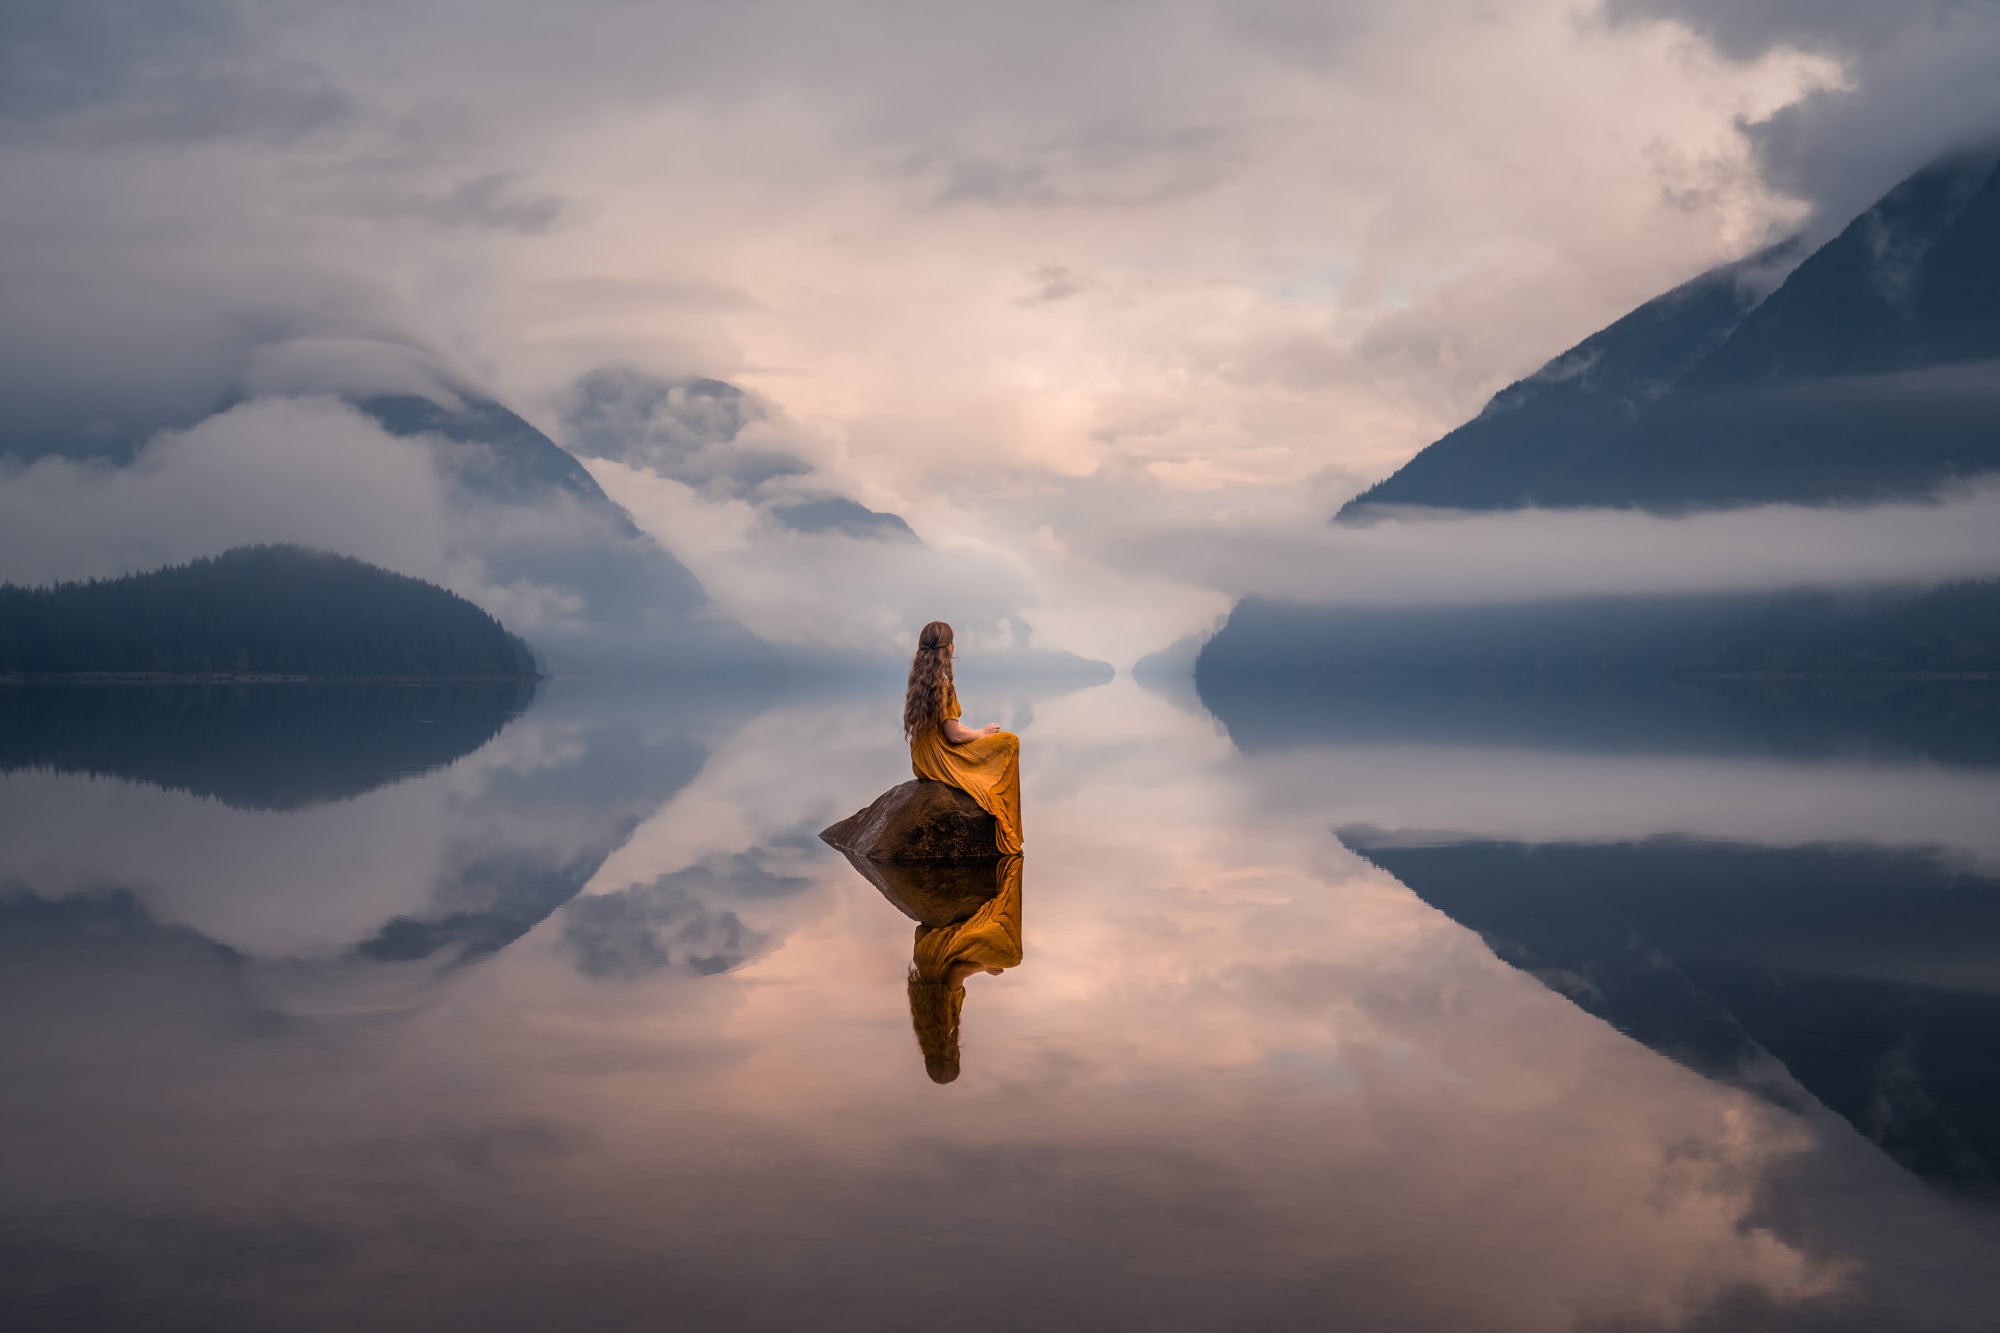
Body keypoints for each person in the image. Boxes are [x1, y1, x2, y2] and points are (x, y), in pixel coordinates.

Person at [904, 620, 1023, 855]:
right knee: (1010, 742)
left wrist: (976, 735)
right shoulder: (943, 685)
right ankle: (1003, 812)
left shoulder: (919, 681)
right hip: (941, 758)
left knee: (995, 741)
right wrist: (982, 733)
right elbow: (954, 735)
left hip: (922, 760)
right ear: (949, 649)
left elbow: (943, 730)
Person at [906, 856, 1024, 1083]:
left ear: (951, 1055)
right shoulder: (924, 1023)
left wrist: (986, 967)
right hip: (926, 952)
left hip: (940, 950)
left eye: (955, 1056)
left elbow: (957, 973)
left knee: (1011, 957)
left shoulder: (945, 1022)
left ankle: (997, 901)